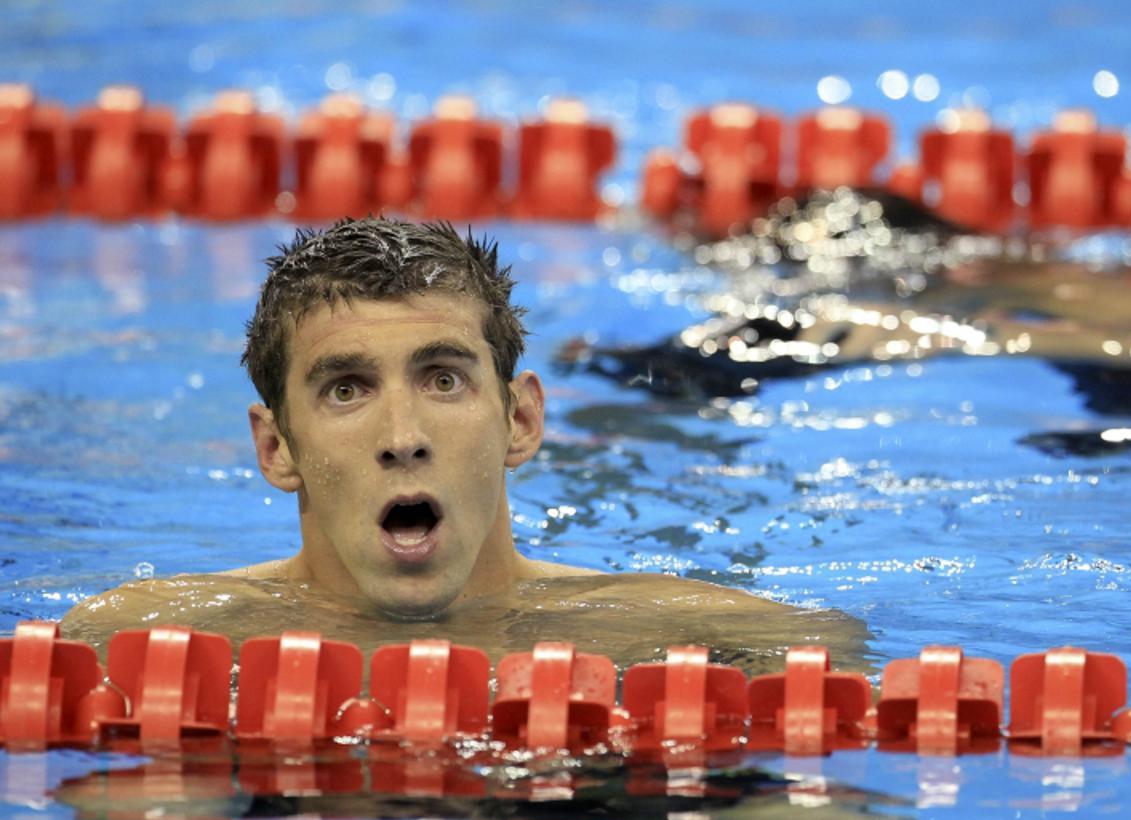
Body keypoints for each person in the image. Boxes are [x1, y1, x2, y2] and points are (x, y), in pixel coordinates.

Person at [61, 218, 868, 673]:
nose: (403, 439)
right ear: (277, 448)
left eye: (443, 379)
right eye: (346, 389)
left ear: (519, 420)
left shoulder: (719, 639)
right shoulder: (139, 641)